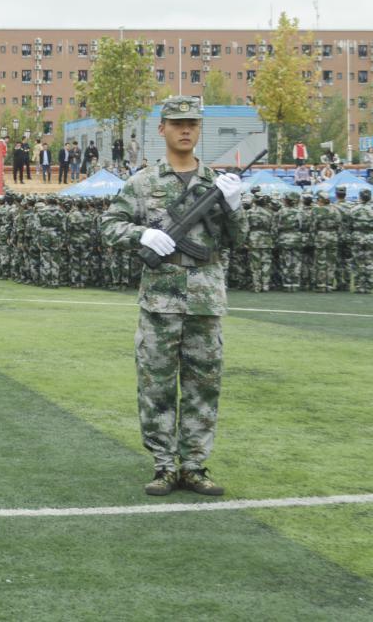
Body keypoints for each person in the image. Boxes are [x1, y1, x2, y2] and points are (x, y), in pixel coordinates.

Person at [100, 95, 247, 498]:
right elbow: (109, 226)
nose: (186, 130)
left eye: (193, 124)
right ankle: (164, 466)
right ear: (161, 128)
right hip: (159, 304)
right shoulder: (143, 183)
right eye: (178, 122)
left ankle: (195, 467)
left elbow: (240, 240)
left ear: (200, 130)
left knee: (204, 387)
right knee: (157, 387)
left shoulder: (217, 184)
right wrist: (141, 234)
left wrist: (234, 206)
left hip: (205, 302)